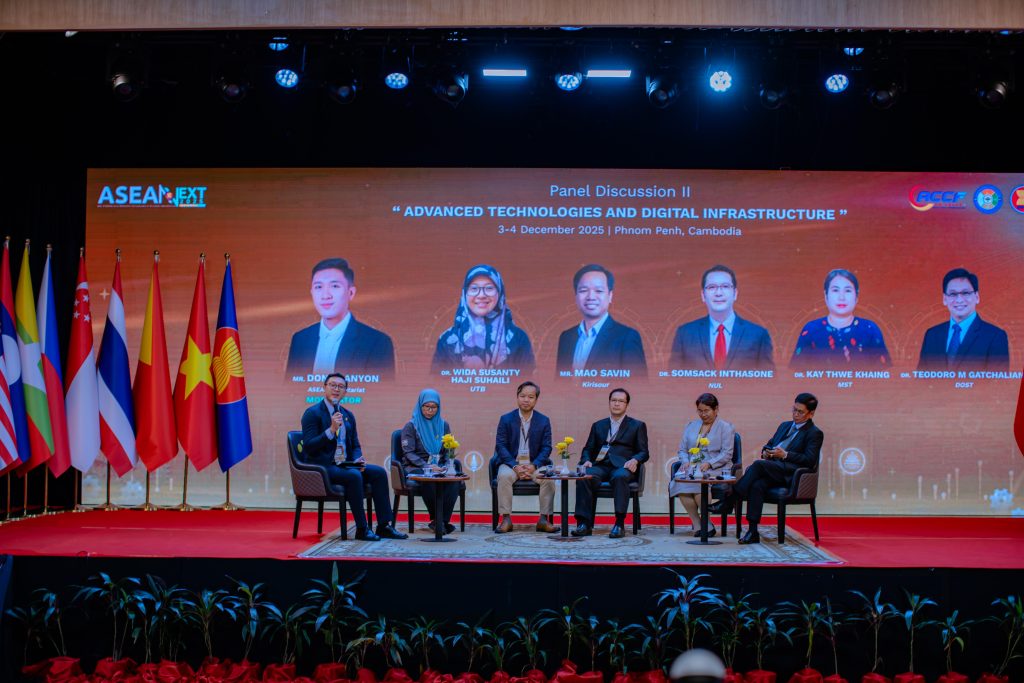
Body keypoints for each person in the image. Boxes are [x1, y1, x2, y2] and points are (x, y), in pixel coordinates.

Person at [299, 373, 407, 541]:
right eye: (332, 385)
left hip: (344, 463)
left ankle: (384, 526)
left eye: (340, 387)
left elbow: (355, 444)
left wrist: (357, 459)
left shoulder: (348, 415)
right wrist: (331, 430)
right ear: (324, 387)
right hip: (322, 466)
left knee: (378, 473)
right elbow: (309, 446)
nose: (336, 389)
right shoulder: (312, 413)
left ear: (345, 392)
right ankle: (362, 528)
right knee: (354, 475)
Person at [733, 393, 823, 545]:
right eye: (794, 409)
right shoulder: (784, 426)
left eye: (800, 412)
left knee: (758, 465)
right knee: (757, 485)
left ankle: (731, 498)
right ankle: (752, 531)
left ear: (811, 413)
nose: (795, 414)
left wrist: (786, 455)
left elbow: (810, 460)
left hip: (791, 475)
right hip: (772, 470)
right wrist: (766, 452)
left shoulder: (814, 433)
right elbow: (769, 444)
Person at [286, 258, 395, 379]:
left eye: (334, 286)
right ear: (312, 293)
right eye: (318, 287)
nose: (325, 296)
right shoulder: (300, 339)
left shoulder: (377, 342)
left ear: (351, 293)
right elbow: (290, 388)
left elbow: (381, 390)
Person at [571, 388, 649, 539]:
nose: (616, 404)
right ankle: (584, 524)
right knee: (584, 476)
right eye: (614, 400)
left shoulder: (637, 425)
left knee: (620, 477)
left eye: (621, 401)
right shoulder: (598, 425)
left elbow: (643, 452)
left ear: (627, 405)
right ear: (609, 403)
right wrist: (586, 460)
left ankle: (619, 523)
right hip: (600, 465)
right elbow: (588, 448)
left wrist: (635, 460)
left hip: (622, 466)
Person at [432, 264, 535, 373]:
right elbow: (437, 380)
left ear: (500, 292)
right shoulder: (447, 340)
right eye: (474, 288)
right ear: (465, 294)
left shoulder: (519, 339)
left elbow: (527, 380)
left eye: (489, 288)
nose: (481, 295)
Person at [669, 265, 774, 371]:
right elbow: (672, 377)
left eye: (725, 286)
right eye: (712, 287)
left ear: (735, 294)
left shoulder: (758, 334)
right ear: (703, 295)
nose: (718, 293)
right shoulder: (684, 333)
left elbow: (770, 378)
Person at [555, 264, 647, 378]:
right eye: (583, 290)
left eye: (598, 291)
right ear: (576, 296)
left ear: (610, 296)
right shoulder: (566, 337)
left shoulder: (627, 337)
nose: (591, 297)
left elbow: (638, 385)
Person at [791, 269, 890, 368]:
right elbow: (797, 373)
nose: (841, 297)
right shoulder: (811, 330)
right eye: (835, 290)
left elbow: (883, 373)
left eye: (847, 291)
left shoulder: (870, 329)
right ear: (826, 295)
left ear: (856, 296)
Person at [493, 381, 557, 533]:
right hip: (511, 464)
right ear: (517, 397)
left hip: (534, 464)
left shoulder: (543, 420)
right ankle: (506, 519)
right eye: (522, 396)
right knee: (504, 476)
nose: (526, 400)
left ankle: (543, 519)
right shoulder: (506, 419)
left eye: (530, 397)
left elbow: (546, 447)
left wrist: (533, 466)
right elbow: (501, 446)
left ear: (536, 399)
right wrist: (515, 465)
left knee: (548, 479)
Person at [669, 393, 735, 538]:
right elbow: (682, 450)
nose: (703, 414)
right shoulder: (691, 426)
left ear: (716, 409)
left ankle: (705, 522)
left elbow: (727, 453)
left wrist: (710, 463)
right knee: (680, 484)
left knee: (699, 483)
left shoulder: (726, 427)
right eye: (700, 411)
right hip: (692, 466)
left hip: (716, 467)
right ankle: (700, 524)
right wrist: (685, 461)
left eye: (706, 411)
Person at [917, 268, 1009, 371]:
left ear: (977, 297)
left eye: (965, 293)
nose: (959, 300)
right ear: (944, 299)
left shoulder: (995, 336)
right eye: (953, 294)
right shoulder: (932, 335)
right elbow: (921, 377)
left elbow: (998, 380)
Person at [399, 389, 462, 534]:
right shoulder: (411, 426)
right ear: (420, 405)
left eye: (434, 407)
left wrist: (447, 466)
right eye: (426, 406)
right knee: (429, 477)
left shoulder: (443, 425)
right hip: (416, 466)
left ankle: (441, 521)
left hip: (438, 466)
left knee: (454, 480)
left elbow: (448, 450)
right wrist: (427, 466)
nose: (430, 410)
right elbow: (408, 453)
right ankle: (438, 520)